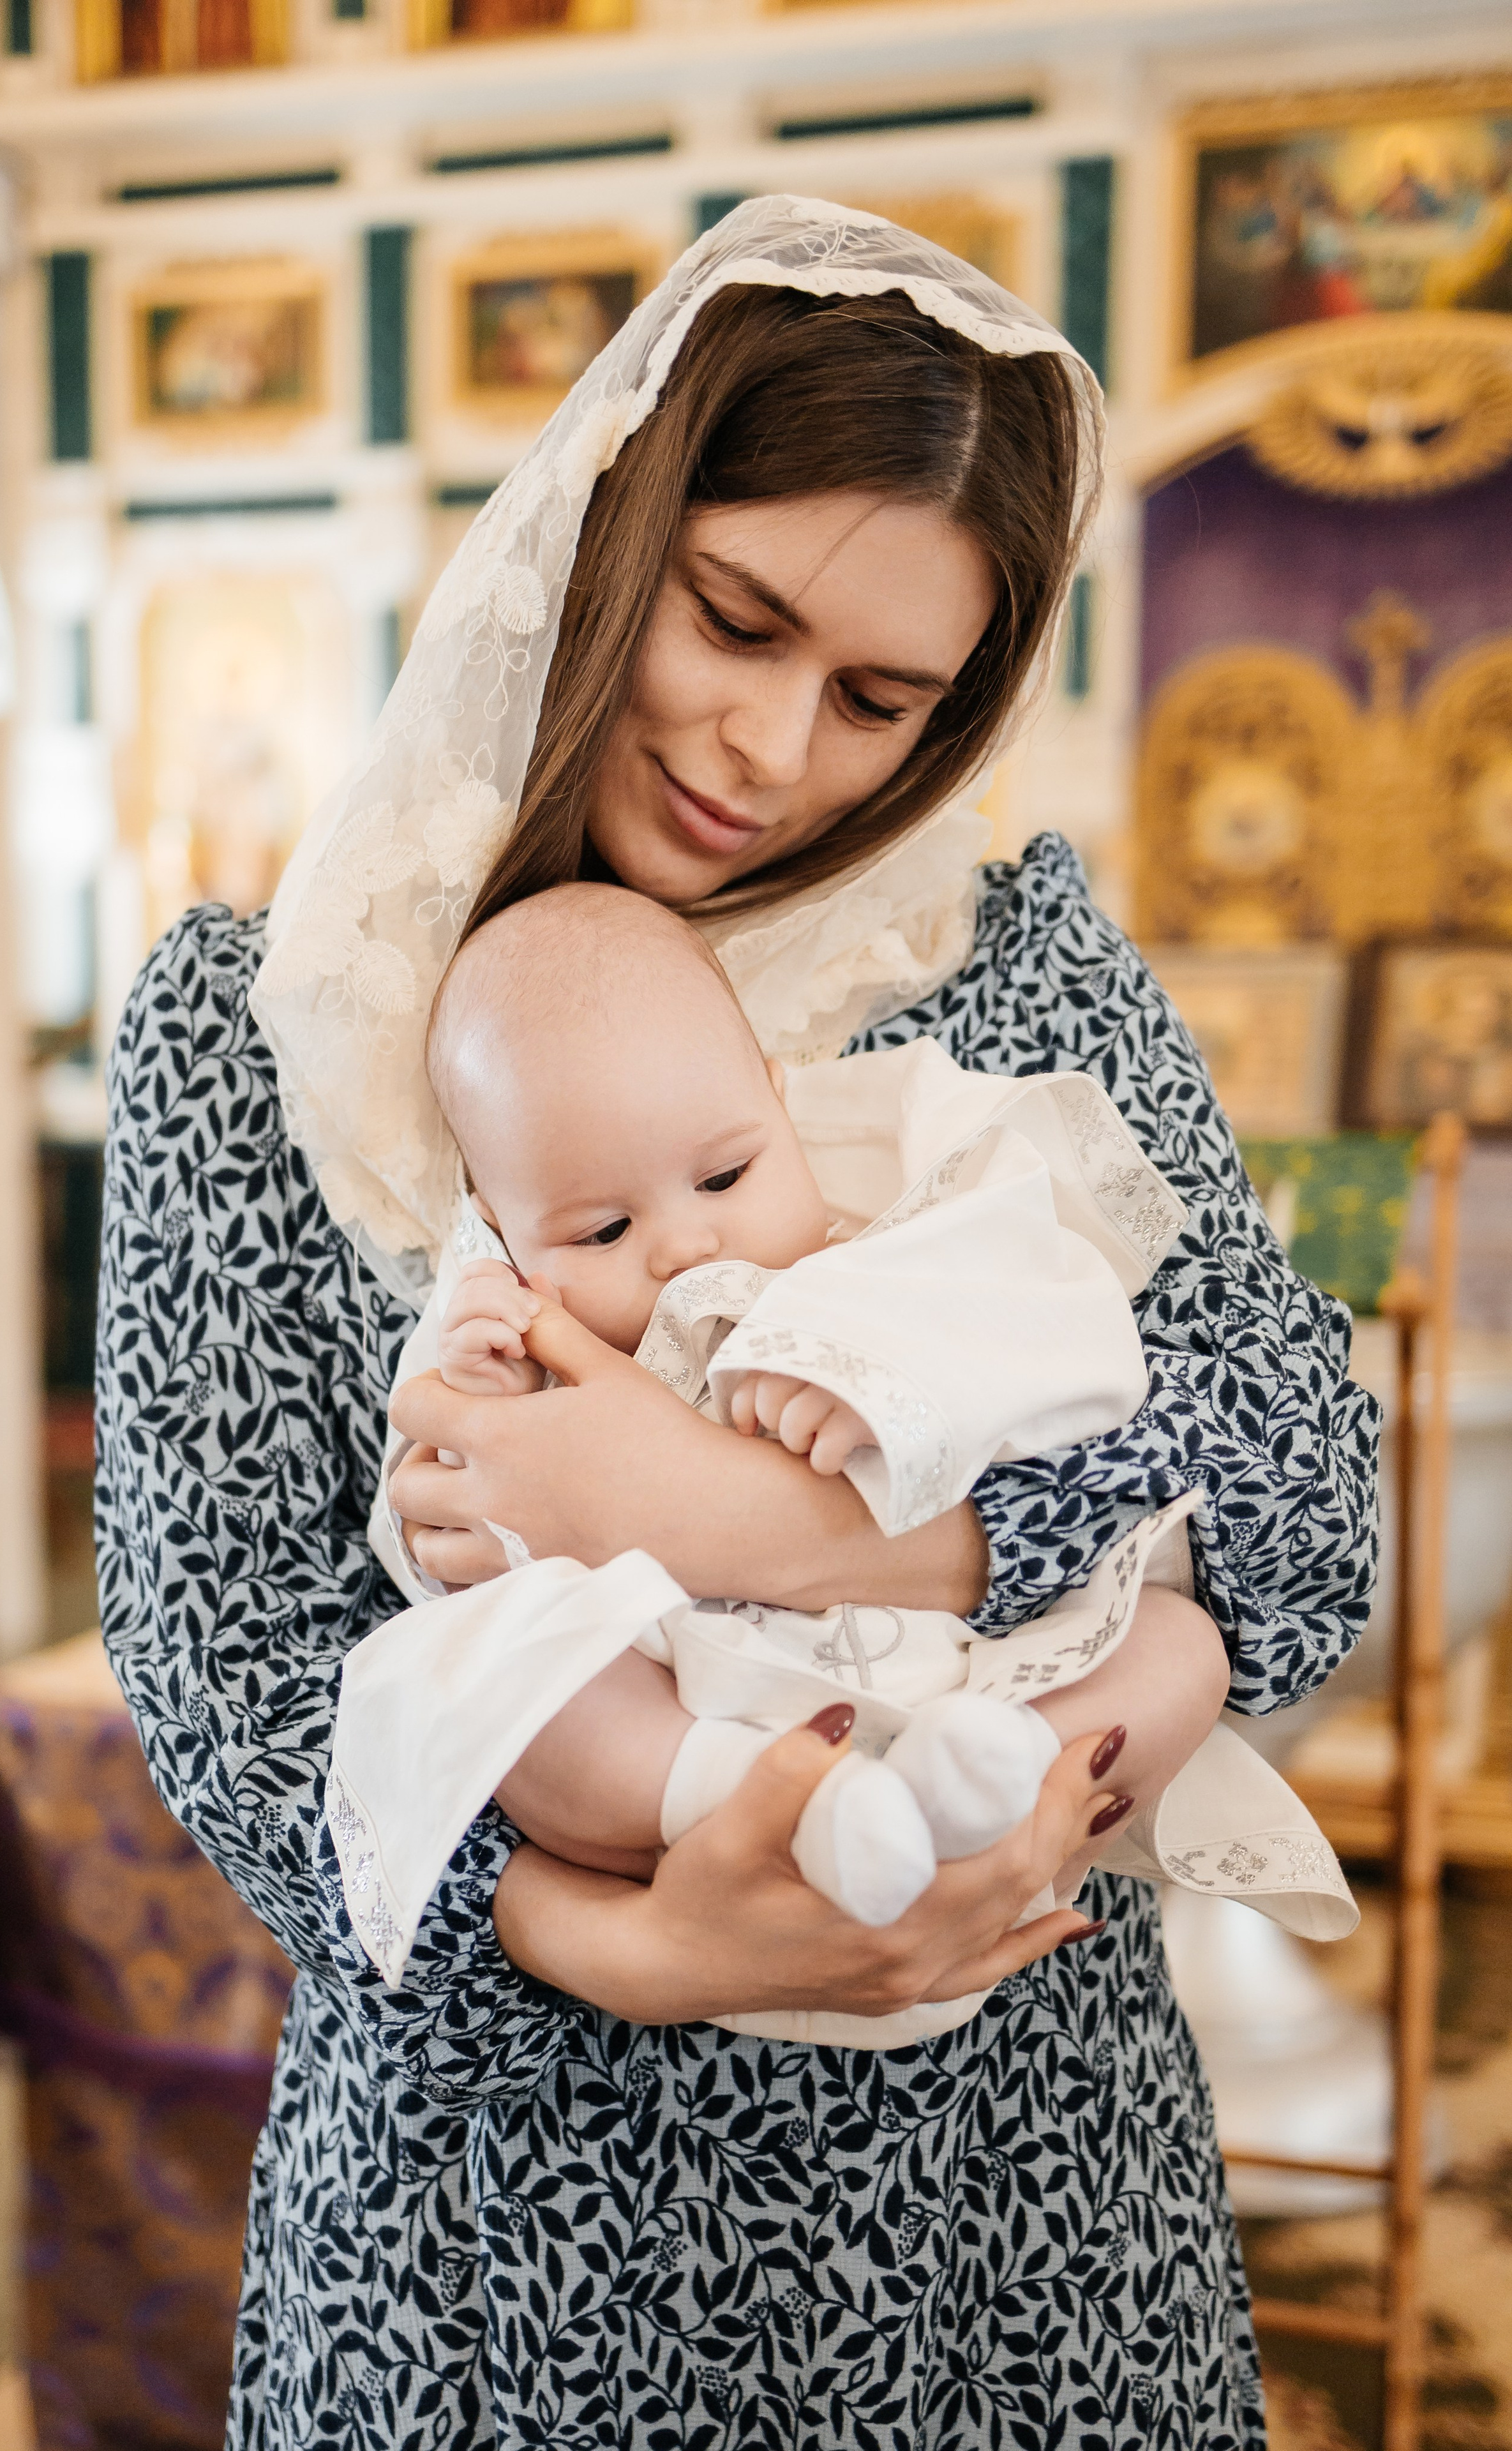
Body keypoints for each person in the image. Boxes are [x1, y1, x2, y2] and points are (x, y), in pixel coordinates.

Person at [96, 200, 1379, 2448]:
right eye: (738, 619)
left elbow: (1297, 1494)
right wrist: (636, 1940)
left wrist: (730, 1511)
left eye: (880, 698)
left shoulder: (1010, 970)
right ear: (615, 527)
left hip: (1014, 2215)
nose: (774, 750)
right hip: (503, 2228)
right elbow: (221, 1652)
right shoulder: (253, 1026)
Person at [326, 881, 1351, 2037]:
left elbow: (1087, 1359)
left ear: (778, 1097)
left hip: (968, 1683)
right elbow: (433, 1537)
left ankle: (990, 1783)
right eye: (600, 1232)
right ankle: (783, 1803)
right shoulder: (521, 1327)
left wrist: (889, 1385)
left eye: (723, 1176)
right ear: (500, 1227)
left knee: (1181, 1652)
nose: (683, 1242)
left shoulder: (894, 1236)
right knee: (506, 1701)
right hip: (690, 1730)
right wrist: (484, 1386)